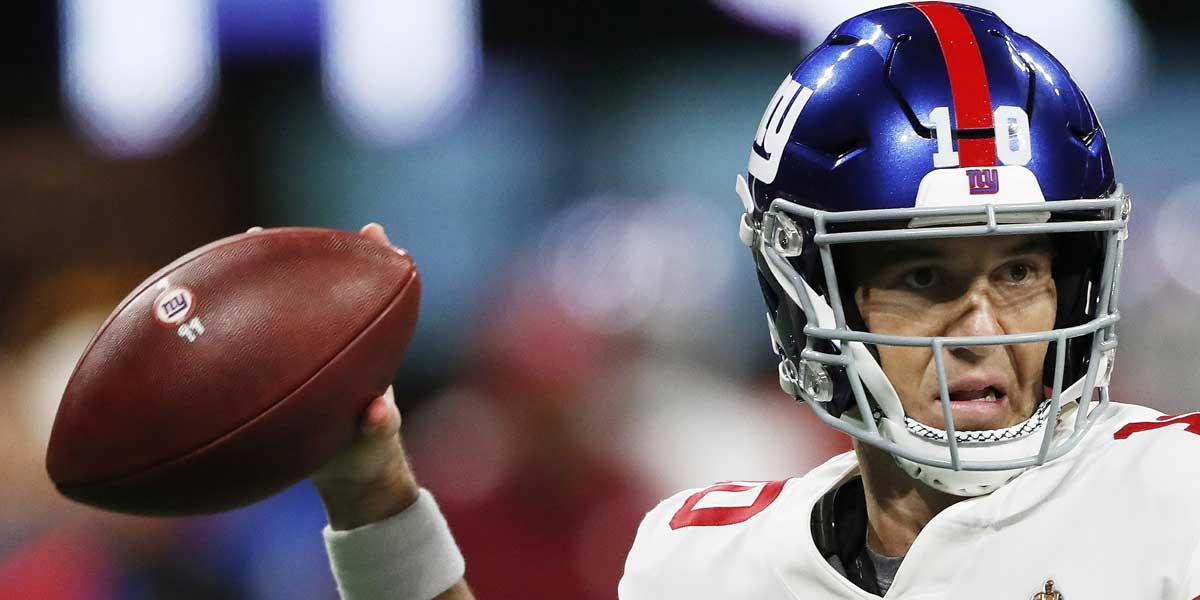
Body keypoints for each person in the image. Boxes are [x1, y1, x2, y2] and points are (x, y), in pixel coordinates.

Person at [314, 3, 1200, 599]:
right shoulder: (703, 566)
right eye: (925, 278)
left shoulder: (1173, 499)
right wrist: (374, 499)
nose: (983, 330)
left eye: (1018, 273)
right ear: (811, 297)